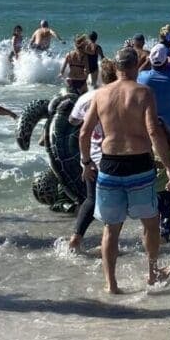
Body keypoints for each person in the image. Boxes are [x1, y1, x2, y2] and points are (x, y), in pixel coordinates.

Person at [77, 47, 170, 293]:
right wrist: (169, 167)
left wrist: (86, 162)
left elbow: (84, 132)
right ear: (136, 66)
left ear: (116, 67)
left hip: (109, 165)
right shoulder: (143, 92)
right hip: (139, 164)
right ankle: (152, 274)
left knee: (111, 228)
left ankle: (111, 284)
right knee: (151, 223)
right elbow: (153, 131)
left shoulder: (101, 94)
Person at [136, 42, 170, 241]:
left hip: (149, 131)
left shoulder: (144, 78)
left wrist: (145, 61)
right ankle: (166, 214)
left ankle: (152, 214)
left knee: (151, 171)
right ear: (166, 60)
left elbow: (134, 75)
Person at [67, 60, 120, 251]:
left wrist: (85, 161)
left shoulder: (87, 97)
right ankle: (109, 244)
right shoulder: (123, 96)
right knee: (116, 203)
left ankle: (76, 237)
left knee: (91, 199)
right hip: (116, 156)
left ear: (100, 78)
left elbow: (73, 120)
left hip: (92, 156)